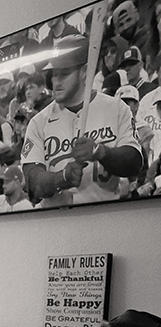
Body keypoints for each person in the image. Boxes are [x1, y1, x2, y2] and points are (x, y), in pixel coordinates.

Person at [22, 35, 144, 209]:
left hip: (106, 219)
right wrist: (62, 178)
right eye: (54, 74)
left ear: (85, 71)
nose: (56, 82)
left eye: (64, 74)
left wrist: (101, 152)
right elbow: (31, 182)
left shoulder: (116, 108)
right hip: (57, 225)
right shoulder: (38, 122)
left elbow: (134, 162)